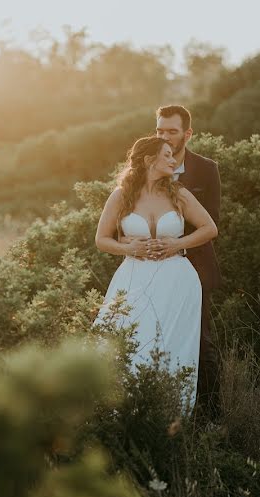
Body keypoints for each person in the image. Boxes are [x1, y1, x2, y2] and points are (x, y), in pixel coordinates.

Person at [94, 136, 218, 414]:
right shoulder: (121, 195)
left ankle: (172, 417)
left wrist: (178, 243)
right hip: (133, 278)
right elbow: (101, 239)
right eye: (167, 155)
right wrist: (129, 248)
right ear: (150, 160)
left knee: (173, 346)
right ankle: (123, 413)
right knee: (128, 341)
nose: (174, 160)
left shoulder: (179, 193)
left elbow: (209, 229)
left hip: (178, 280)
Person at [122, 105, 223, 423]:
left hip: (192, 268)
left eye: (172, 131)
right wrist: (139, 246)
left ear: (187, 134)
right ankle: (146, 411)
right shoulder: (138, 176)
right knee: (143, 336)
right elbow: (114, 230)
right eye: (160, 130)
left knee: (199, 341)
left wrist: (174, 247)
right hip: (145, 270)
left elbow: (212, 222)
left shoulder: (206, 170)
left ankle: (207, 419)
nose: (164, 136)